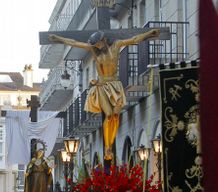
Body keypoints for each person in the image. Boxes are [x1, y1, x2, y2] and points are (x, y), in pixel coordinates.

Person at [49, 29, 160, 161]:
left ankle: (110, 143)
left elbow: (134, 40)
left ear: (104, 40)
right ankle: (108, 147)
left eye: (99, 43)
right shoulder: (95, 53)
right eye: (95, 45)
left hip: (115, 85)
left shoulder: (117, 45)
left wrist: (149, 34)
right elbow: (74, 43)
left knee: (115, 115)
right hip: (101, 86)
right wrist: (59, 39)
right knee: (108, 115)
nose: (98, 47)